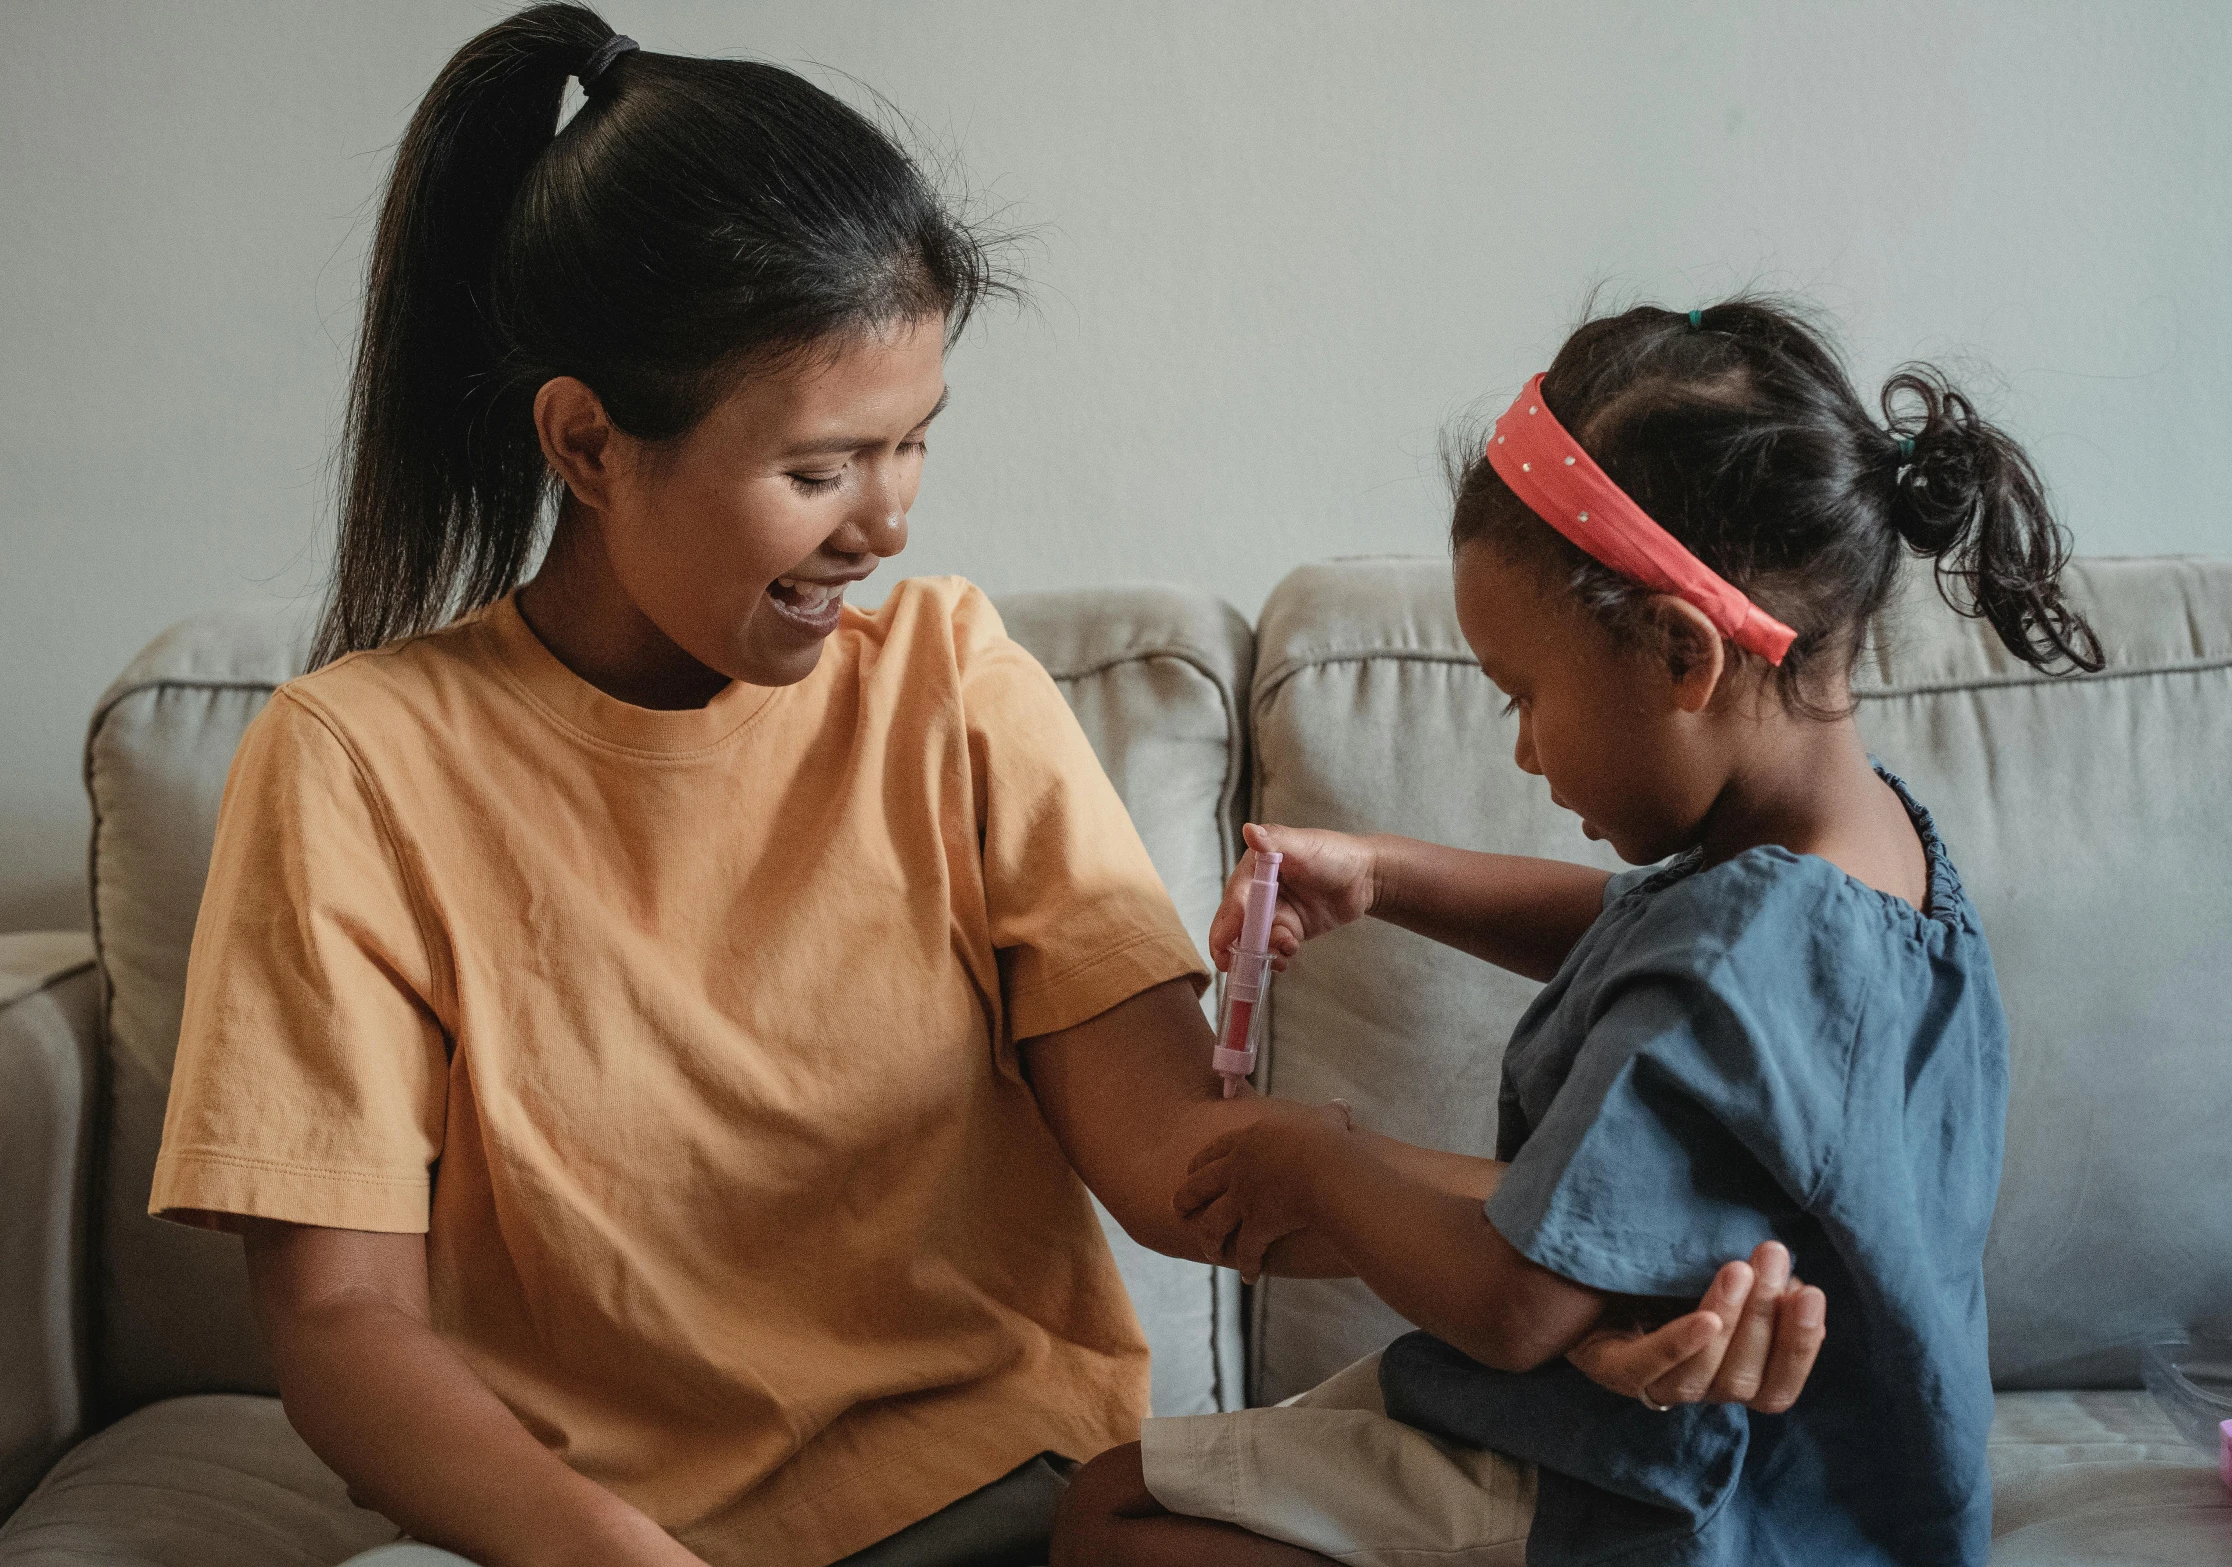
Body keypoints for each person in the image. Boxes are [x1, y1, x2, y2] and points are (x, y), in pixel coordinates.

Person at [147, 12, 1816, 1566]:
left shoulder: (949, 689)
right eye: (818, 467)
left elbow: (1187, 1160)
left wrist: (1598, 1277)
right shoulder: (356, 762)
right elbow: (344, 1329)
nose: (888, 520)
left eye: (914, 438)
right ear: (586, 445)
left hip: (1005, 1511)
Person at [1054, 299, 2106, 1567]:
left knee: (1109, 1514)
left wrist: (1317, 1157)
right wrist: (1386, 875)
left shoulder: (1744, 941)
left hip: (1663, 1499)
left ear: (1679, 655)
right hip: (1825, 1506)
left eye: (1526, 697)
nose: (1524, 748)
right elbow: (1644, 938)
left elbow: (1513, 1302)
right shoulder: (1870, 862)